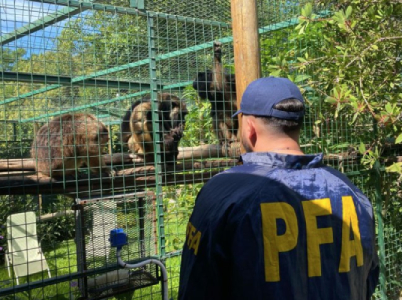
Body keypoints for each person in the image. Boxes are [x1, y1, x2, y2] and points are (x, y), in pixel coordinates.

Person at [178, 77, 379, 300]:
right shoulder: (352, 192)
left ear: (249, 128)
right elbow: (367, 282)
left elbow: (196, 285)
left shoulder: (222, 195)